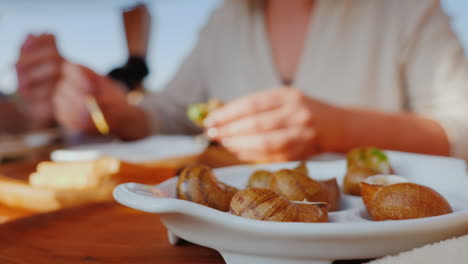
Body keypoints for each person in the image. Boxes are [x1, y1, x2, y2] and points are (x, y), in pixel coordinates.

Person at [28, 0, 468, 162]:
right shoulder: (226, 18)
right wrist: (117, 110)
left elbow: (461, 127)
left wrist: (342, 129)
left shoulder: (409, 9)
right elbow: (170, 112)